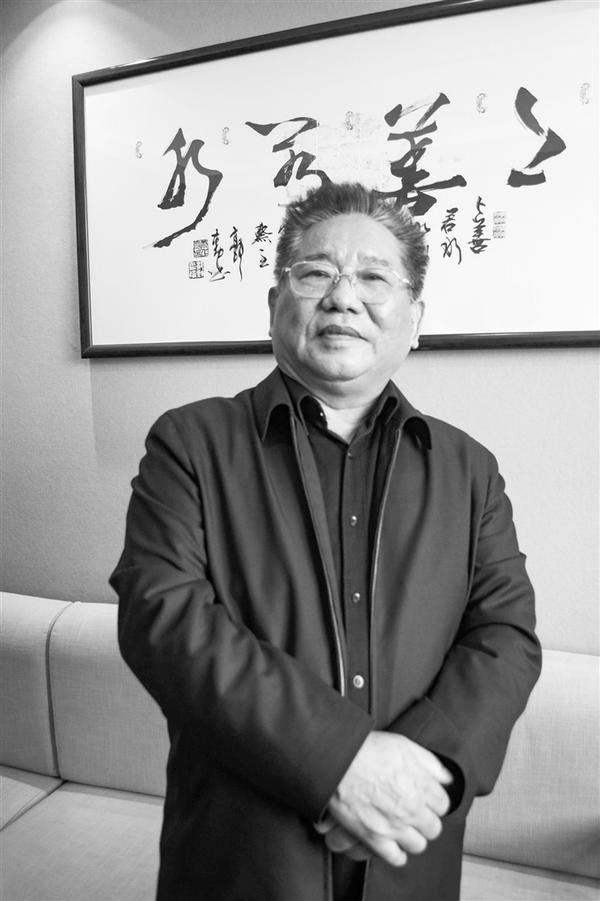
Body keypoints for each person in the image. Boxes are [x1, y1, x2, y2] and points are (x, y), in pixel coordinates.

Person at [111, 181, 541, 901]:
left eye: (374, 278)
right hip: (243, 861)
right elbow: (163, 618)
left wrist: (418, 774)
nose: (344, 298)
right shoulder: (191, 442)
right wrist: (339, 764)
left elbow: (506, 635)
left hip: (410, 848)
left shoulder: (470, 470)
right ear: (274, 304)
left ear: (415, 320)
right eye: (316, 273)